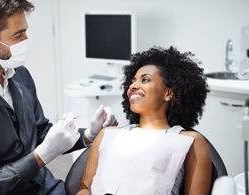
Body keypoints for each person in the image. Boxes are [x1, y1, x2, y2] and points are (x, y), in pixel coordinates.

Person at [0, 0, 118, 194]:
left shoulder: (19, 75)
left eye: (25, 31)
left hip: (39, 186)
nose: (26, 40)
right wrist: (41, 156)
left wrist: (87, 135)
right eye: (18, 35)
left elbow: (41, 132)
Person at [77, 46, 212, 195]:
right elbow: (85, 187)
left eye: (145, 80)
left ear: (168, 93)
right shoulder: (107, 134)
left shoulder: (189, 141)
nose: (133, 86)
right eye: (133, 81)